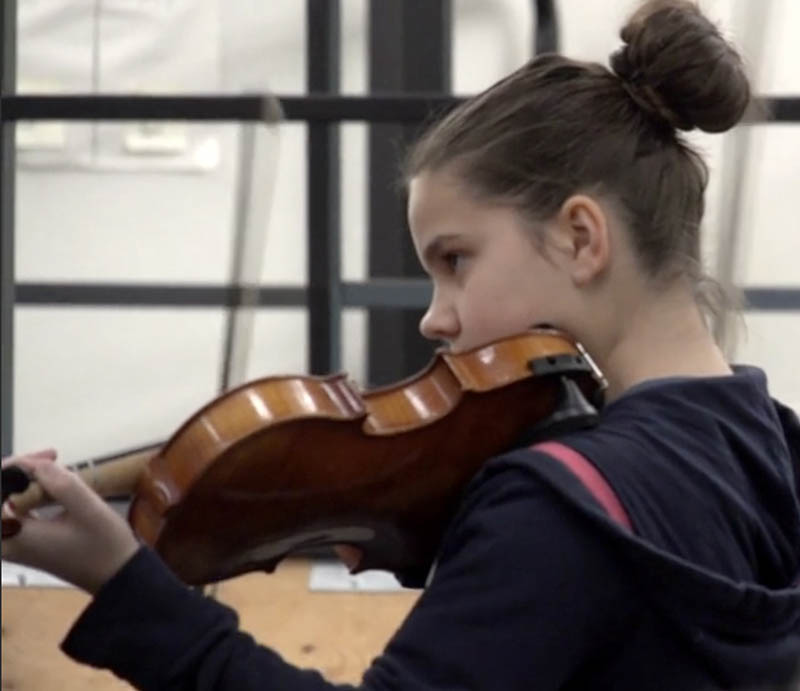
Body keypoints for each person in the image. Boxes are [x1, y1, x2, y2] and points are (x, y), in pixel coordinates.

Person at [3, 1, 800, 688]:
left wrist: (125, 587)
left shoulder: (558, 508)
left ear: (581, 237)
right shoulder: (776, 452)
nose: (434, 317)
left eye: (456, 261)